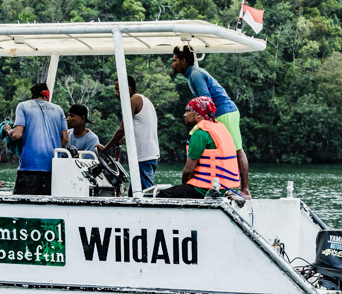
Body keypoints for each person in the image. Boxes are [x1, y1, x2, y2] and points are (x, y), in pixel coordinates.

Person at [172, 45, 251, 198]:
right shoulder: (191, 75)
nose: (173, 64)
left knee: (237, 149)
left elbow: (206, 101)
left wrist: (207, 124)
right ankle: (220, 185)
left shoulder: (195, 74)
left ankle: (245, 190)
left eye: (175, 61)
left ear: (183, 61)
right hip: (219, 113)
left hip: (225, 111)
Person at [155, 96, 240, 199]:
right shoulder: (220, 128)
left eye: (188, 111)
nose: (184, 115)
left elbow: (188, 171)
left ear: (199, 114)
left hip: (204, 189)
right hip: (223, 188)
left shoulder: (200, 133)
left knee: (162, 195)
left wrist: (185, 185)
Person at [99, 75, 160, 190]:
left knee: (145, 194)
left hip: (144, 156)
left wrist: (105, 148)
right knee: (134, 193)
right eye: (115, 89)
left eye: (118, 89)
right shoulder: (143, 100)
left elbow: (122, 129)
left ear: (128, 88)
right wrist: (123, 139)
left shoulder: (133, 101)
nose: (116, 93)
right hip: (150, 154)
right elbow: (141, 127)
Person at [7, 82, 68, 195]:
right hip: (52, 169)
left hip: (29, 168)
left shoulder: (23, 106)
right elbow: (65, 138)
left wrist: (7, 130)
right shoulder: (58, 109)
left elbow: (17, 134)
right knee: (47, 207)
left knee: (21, 207)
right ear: (46, 95)